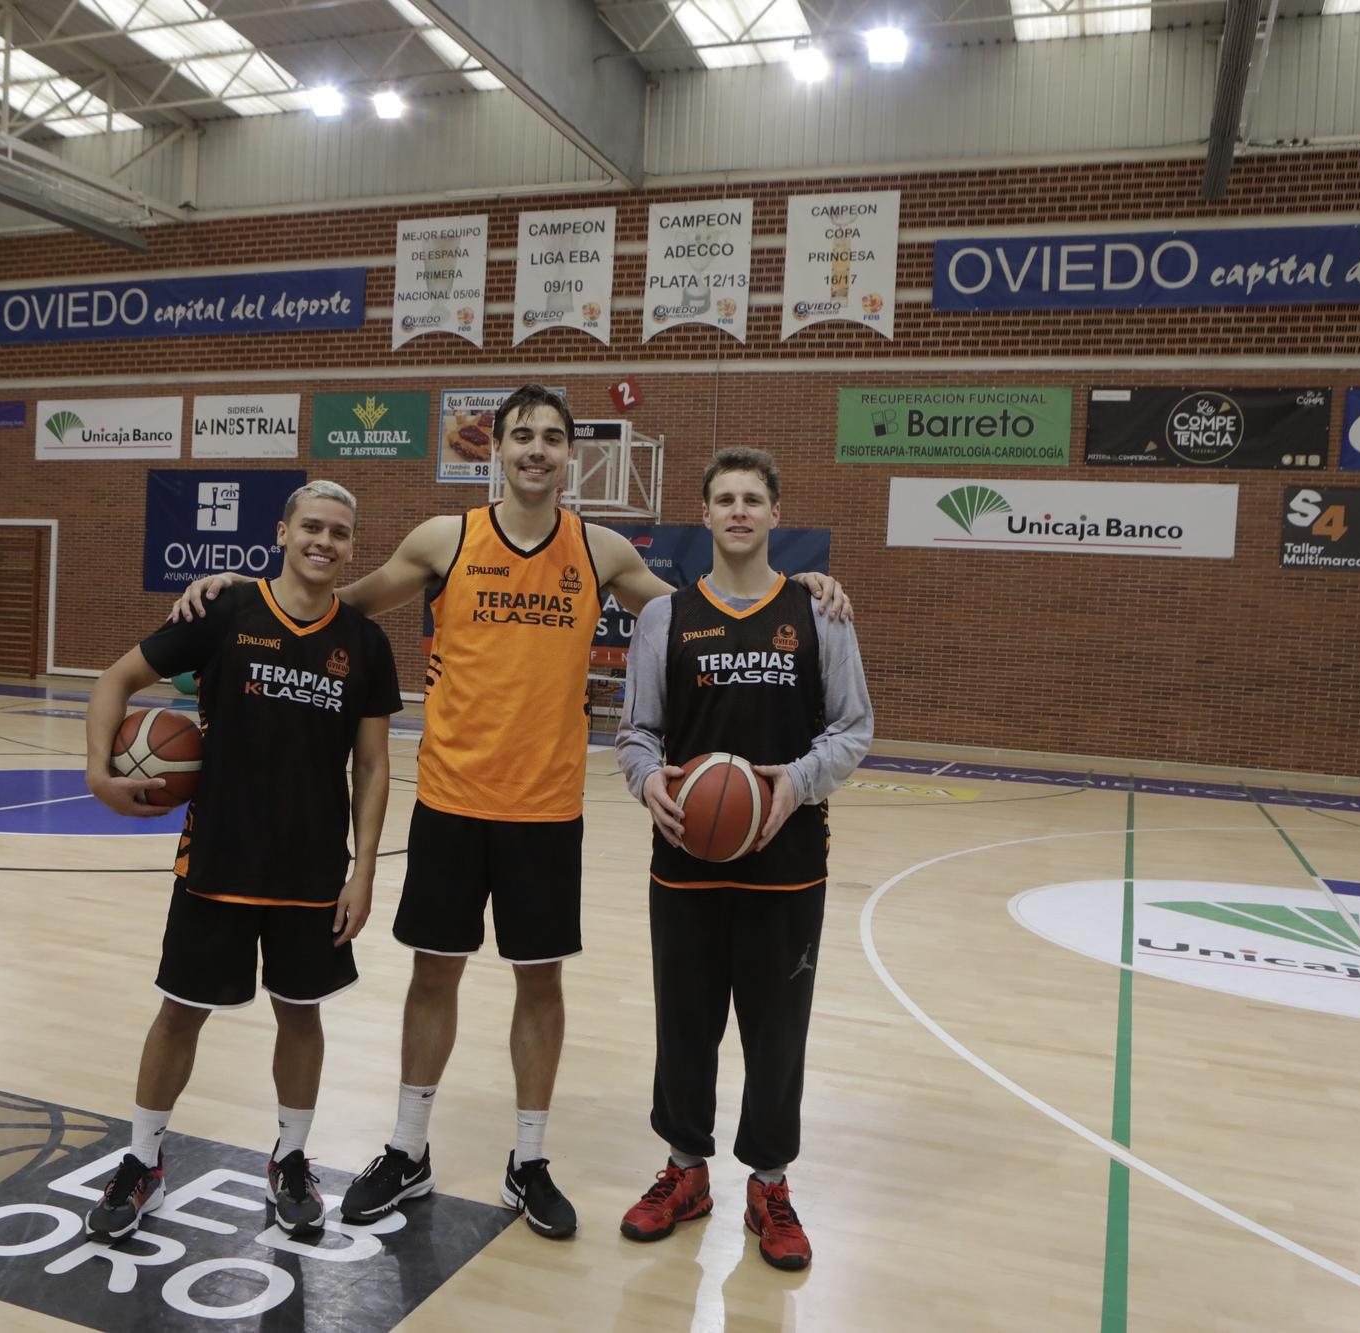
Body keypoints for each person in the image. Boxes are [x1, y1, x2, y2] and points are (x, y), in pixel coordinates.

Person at [172, 386, 851, 1239]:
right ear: (496, 447)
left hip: (545, 809)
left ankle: (528, 1160)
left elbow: (703, 609)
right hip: (453, 801)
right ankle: (408, 1148)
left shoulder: (600, 550)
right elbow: (337, 602)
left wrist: (801, 587)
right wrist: (243, 588)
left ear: (573, 455)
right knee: (433, 974)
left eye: (553, 438)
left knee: (541, 984)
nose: (536, 449)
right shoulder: (443, 539)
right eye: (522, 435)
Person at [82, 480, 398, 1243]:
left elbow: (374, 765)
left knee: (301, 1012)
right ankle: (143, 1160)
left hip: (312, 868)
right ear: (283, 531)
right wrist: (99, 772)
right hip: (217, 857)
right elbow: (115, 679)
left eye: (341, 533)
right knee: (179, 1011)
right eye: (312, 526)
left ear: (354, 545)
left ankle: (291, 1159)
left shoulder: (365, 641)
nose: (325, 542)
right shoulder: (222, 610)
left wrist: (363, 871)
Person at [613, 446, 871, 1272]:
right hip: (685, 861)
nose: (737, 510)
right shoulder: (665, 619)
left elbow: (853, 729)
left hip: (787, 864)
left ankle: (770, 1182)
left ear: (773, 513)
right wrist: (648, 778)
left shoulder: (818, 613)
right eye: (723, 497)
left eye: (752, 498)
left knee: (776, 1031)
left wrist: (790, 785)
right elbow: (636, 733)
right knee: (684, 1025)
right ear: (706, 512)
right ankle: (686, 1171)